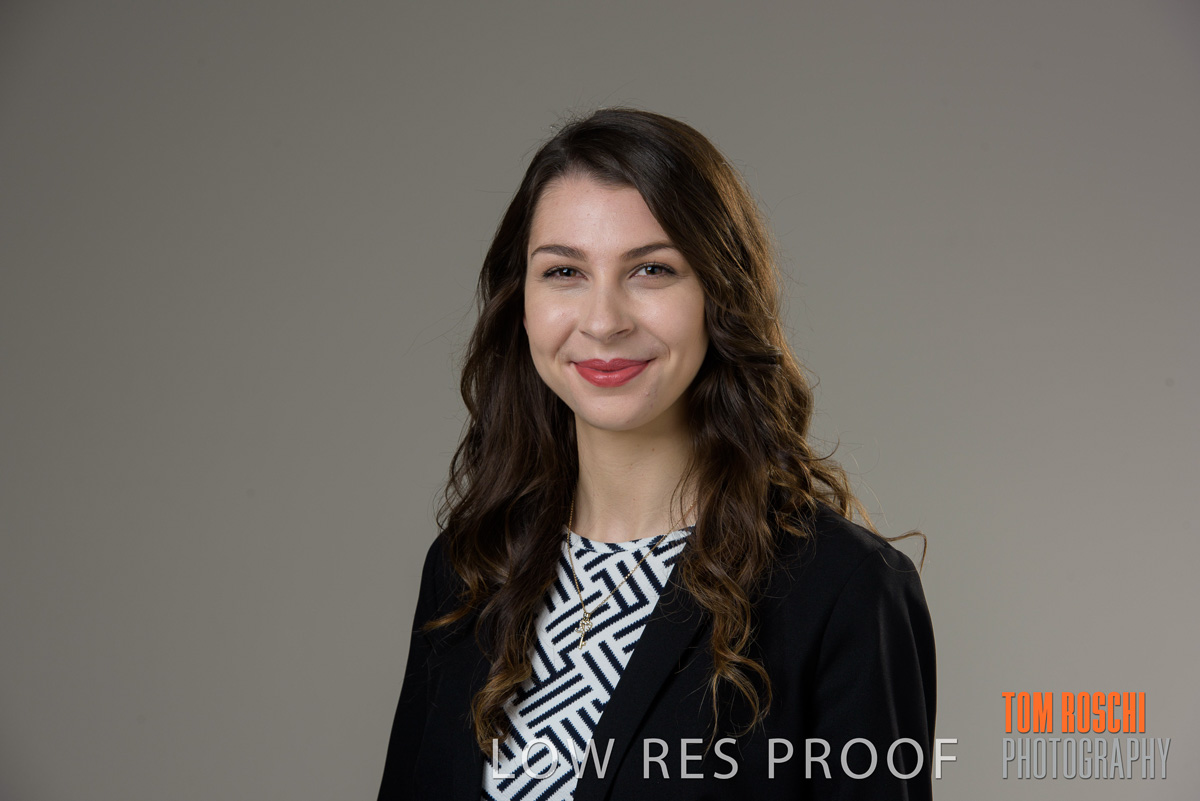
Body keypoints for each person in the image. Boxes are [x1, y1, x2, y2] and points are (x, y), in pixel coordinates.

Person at [377, 108, 936, 801]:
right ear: (521, 301)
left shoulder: (843, 591)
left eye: (651, 269)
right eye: (564, 271)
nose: (603, 320)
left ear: (719, 293)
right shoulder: (470, 567)